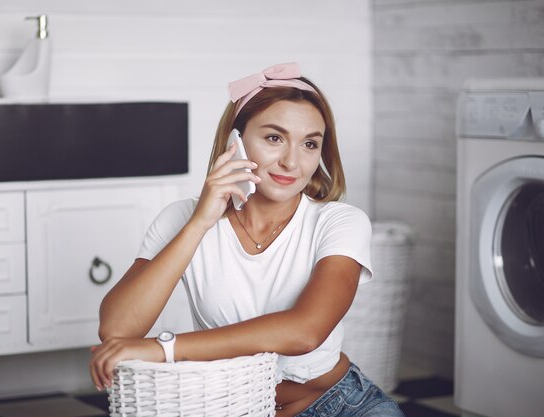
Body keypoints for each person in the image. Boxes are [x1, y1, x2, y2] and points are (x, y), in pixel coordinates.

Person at [89, 63, 404, 417]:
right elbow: (117, 328)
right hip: (229, 407)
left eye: (310, 144)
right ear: (233, 142)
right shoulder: (181, 219)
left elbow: (306, 331)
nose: (291, 162)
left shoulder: (340, 222)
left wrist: (166, 349)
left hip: (338, 404)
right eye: (274, 138)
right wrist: (200, 223)